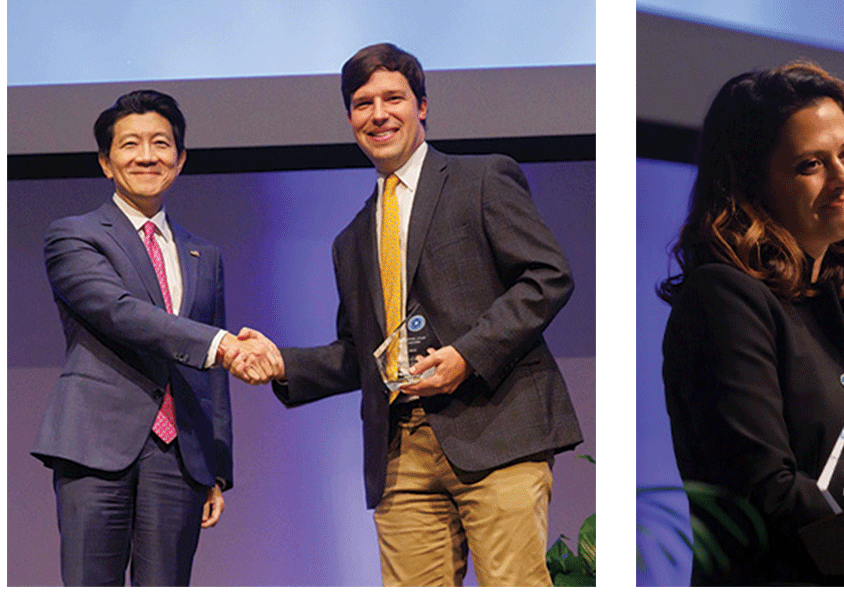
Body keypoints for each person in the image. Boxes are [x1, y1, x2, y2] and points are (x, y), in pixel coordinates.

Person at [230, 43, 582, 587]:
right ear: (350, 117)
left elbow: (547, 276)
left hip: (496, 432)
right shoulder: (350, 240)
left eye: (393, 98)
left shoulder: (483, 178)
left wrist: (467, 355)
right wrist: (282, 362)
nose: (378, 114)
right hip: (402, 455)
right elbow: (359, 355)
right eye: (362, 103)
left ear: (422, 106)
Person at [659, 62, 844, 585]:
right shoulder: (723, 300)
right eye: (812, 164)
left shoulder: (829, 307)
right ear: (749, 184)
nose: (843, 179)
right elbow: (764, 492)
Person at [32, 90, 278, 586]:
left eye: (161, 143)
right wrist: (225, 345)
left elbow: (211, 380)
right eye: (130, 145)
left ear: (180, 159)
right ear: (106, 162)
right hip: (95, 447)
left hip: (179, 458)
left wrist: (215, 467)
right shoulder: (74, 236)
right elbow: (121, 314)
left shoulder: (202, 254)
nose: (147, 156)